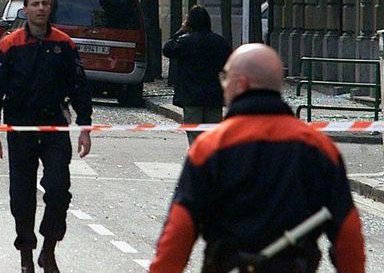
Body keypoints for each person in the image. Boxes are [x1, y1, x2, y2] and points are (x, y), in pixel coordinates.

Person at [150, 44, 365, 273]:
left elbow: (180, 227)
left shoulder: (211, 147)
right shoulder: (319, 148)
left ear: (241, 83)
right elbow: (347, 230)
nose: (223, 85)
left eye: (226, 77)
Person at [0, 0, 93, 273]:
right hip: (21, 129)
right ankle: (26, 255)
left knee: (58, 191)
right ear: (26, 10)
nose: (41, 8)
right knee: (21, 197)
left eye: (45, 3)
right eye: (35, 4)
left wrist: (85, 127)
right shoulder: (9, 45)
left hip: (55, 128)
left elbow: (80, 88)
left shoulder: (64, 44)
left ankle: (48, 250)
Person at [162, 5, 231, 145]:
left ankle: (198, 157)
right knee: (212, 136)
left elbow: (167, 49)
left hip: (192, 96)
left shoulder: (186, 42)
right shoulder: (220, 42)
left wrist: (181, 31)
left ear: (190, 23)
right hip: (214, 96)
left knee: (194, 136)